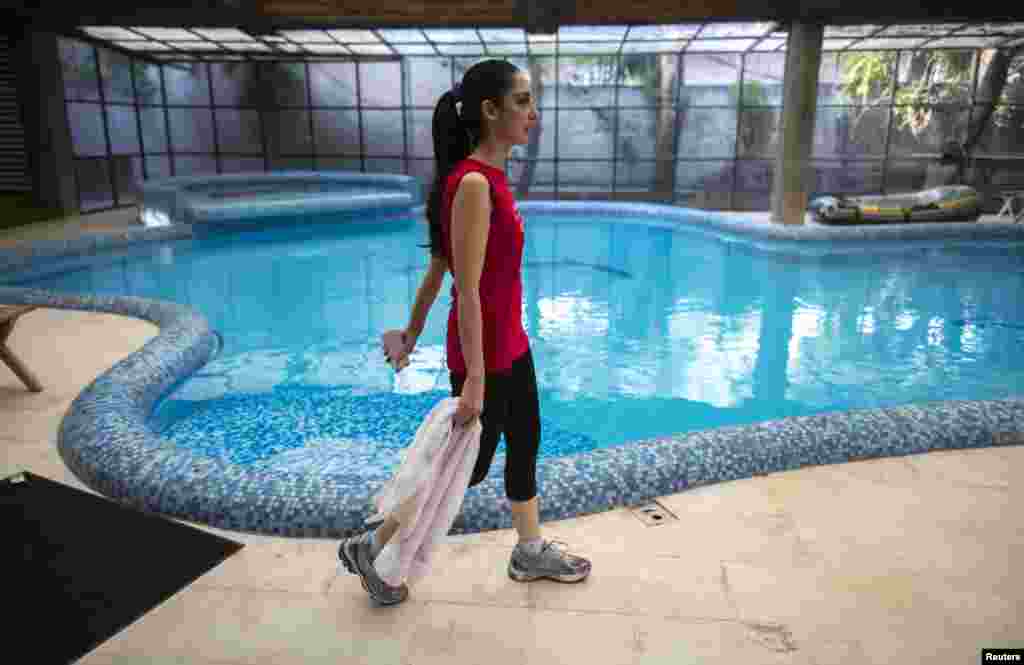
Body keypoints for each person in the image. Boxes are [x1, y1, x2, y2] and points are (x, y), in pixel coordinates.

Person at [338, 59, 592, 605]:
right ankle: (373, 542)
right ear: (490, 110)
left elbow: (438, 266)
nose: (533, 112)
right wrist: (475, 377)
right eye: (523, 101)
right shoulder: (474, 184)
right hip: (487, 356)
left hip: (509, 345)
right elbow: (467, 288)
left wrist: (408, 332)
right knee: (466, 466)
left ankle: (529, 550)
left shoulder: (484, 180)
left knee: (525, 443)